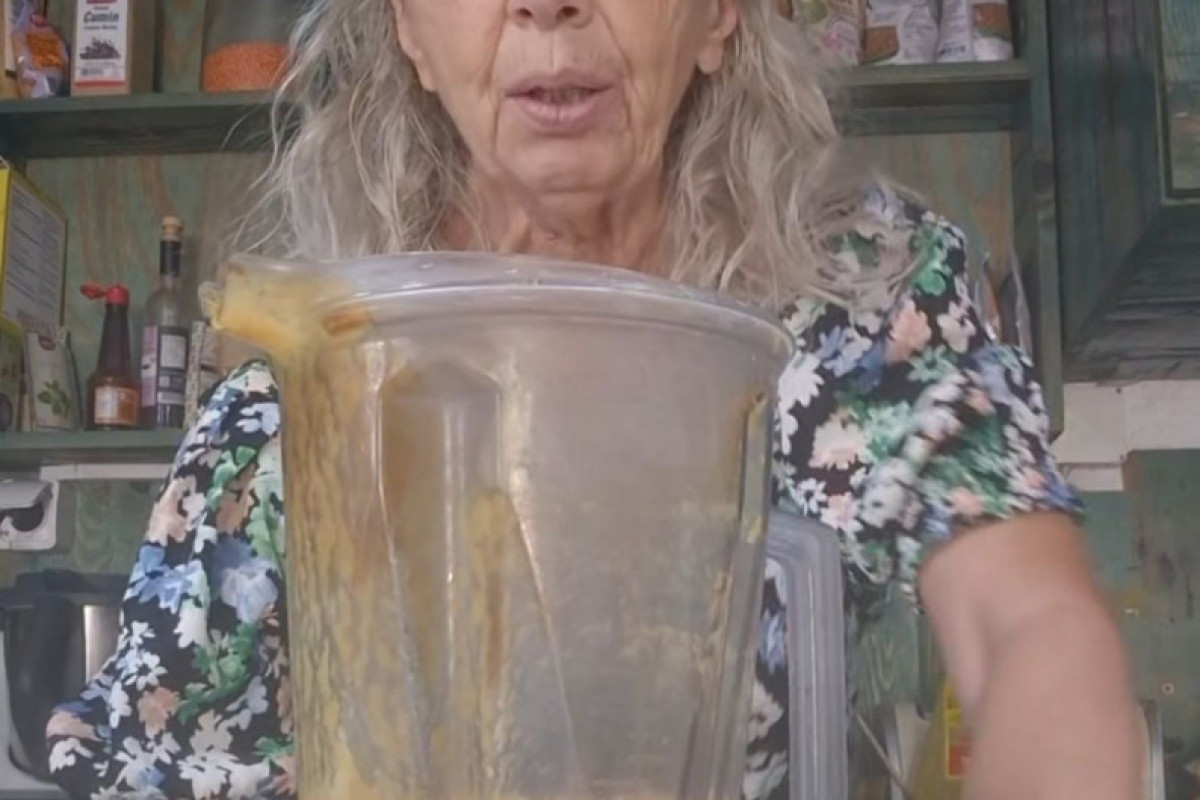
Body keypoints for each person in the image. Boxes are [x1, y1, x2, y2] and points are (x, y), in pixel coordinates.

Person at [46, 1, 1141, 798]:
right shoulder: (300, 396)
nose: (548, 6)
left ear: (718, 18)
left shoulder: (859, 303)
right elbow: (137, 760)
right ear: (410, 33)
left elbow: (1028, 628)